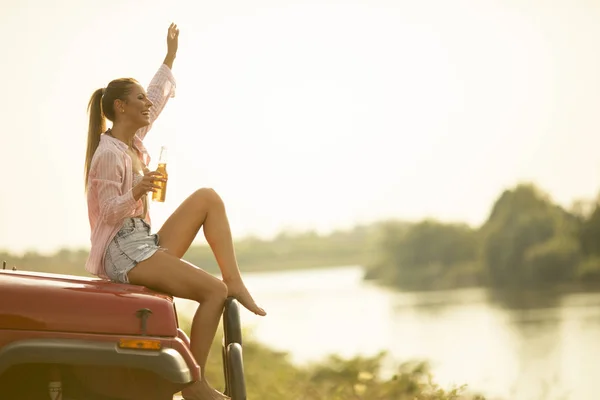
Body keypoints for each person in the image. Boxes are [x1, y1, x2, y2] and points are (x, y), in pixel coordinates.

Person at [83, 23, 266, 400]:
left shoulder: (133, 142)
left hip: (144, 242)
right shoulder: (107, 153)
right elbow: (106, 214)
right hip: (123, 253)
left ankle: (235, 279)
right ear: (120, 107)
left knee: (208, 197)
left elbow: (157, 95)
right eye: (139, 101)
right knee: (211, 293)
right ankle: (193, 385)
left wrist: (169, 56)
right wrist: (137, 188)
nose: (147, 105)